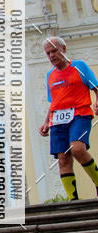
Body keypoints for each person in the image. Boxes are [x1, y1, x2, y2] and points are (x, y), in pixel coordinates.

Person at [39, 36, 98, 200]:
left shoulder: (80, 66)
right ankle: (73, 200)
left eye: (54, 51)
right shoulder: (50, 75)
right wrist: (46, 122)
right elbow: (53, 102)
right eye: (48, 53)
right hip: (58, 120)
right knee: (63, 159)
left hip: (80, 114)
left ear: (63, 49)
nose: (51, 56)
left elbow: (95, 87)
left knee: (77, 148)